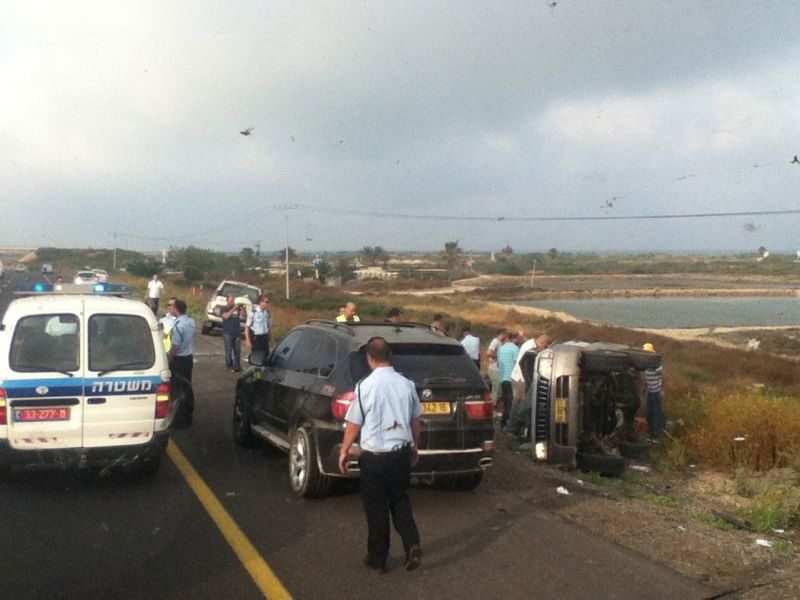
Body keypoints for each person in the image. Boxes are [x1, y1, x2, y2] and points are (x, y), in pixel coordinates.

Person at [338, 337, 422, 573]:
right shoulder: (406, 384)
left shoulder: (365, 386)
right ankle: (412, 543)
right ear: (390, 355)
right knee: (399, 499)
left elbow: (354, 423)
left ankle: (378, 558)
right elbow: (416, 421)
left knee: (376, 508)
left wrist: (345, 450)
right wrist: (415, 446)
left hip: (375, 457)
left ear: (370, 358)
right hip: (400, 454)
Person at [505, 334, 553, 436]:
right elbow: (525, 363)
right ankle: (512, 428)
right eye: (545, 346)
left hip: (520, 377)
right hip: (520, 378)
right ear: (542, 343)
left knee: (520, 403)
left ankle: (516, 427)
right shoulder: (530, 348)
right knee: (518, 404)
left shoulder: (530, 344)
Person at [643, 343, 666, 439]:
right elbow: (645, 379)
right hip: (650, 392)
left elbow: (664, 376)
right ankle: (651, 430)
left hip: (656, 392)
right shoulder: (644, 365)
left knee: (657, 412)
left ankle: (659, 431)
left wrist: (663, 389)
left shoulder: (656, 365)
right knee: (650, 412)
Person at [497, 331, 520, 428]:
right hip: (511, 378)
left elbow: (498, 362)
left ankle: (503, 420)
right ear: (514, 339)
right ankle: (507, 421)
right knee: (510, 401)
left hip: (502, 377)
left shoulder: (502, 348)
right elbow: (517, 363)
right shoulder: (515, 349)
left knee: (506, 400)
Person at [169, 299, 195, 382]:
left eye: (172, 307)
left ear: (176, 309)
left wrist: (169, 359)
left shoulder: (178, 325)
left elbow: (175, 346)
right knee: (187, 382)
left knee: (176, 384)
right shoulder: (191, 321)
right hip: (189, 357)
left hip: (179, 359)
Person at [220, 295, 243, 372]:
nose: (231, 303)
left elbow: (243, 315)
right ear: (227, 301)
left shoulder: (237, 309)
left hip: (237, 332)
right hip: (227, 333)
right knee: (229, 351)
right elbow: (226, 316)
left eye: (232, 301)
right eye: (230, 301)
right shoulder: (224, 308)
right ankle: (229, 365)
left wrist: (242, 310)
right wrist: (234, 308)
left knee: (237, 350)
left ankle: (237, 365)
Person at [487, 329, 507, 405]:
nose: (505, 336)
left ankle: (495, 406)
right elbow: (489, 352)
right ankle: (493, 407)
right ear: (501, 334)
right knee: (496, 388)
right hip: (495, 368)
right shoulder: (495, 341)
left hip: (498, 367)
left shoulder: (501, 342)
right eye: (504, 334)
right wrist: (497, 357)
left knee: (498, 388)